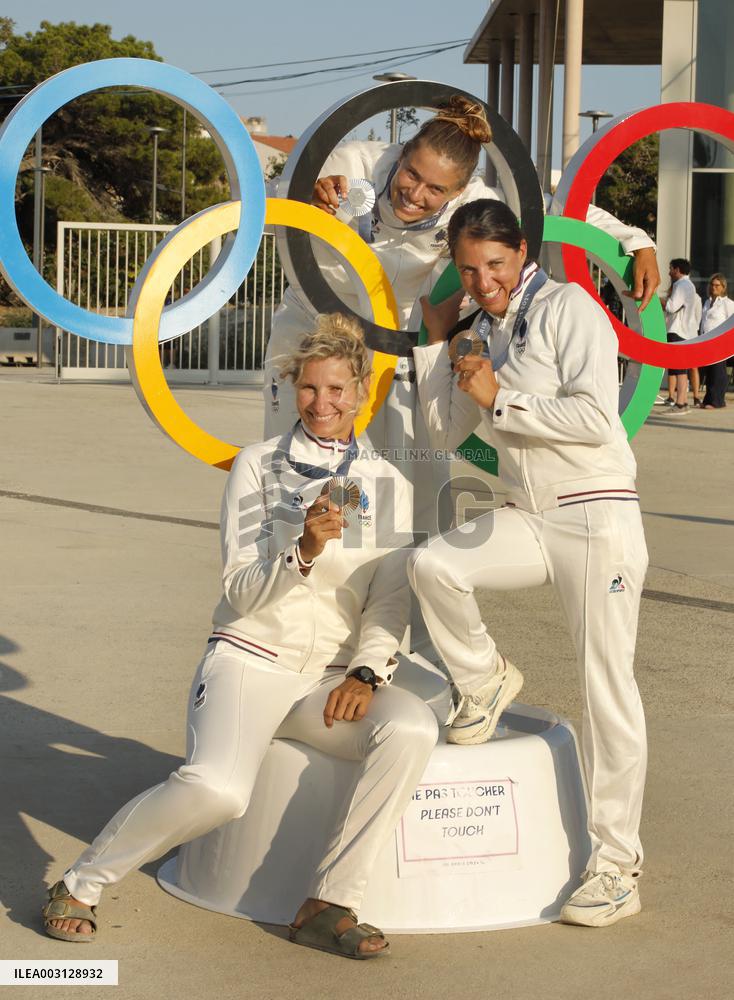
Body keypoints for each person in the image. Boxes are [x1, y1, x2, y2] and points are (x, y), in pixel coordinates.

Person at [42, 313, 438, 960]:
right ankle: (81, 884)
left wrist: (367, 672)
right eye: (309, 388)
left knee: (412, 727)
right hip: (250, 659)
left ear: (362, 392)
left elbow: (391, 599)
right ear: (291, 388)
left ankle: (329, 902)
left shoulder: (389, 484)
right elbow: (239, 591)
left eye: (337, 389)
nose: (322, 404)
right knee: (218, 790)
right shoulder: (256, 466)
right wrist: (301, 551)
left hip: (328, 679)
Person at [409, 199, 649, 928]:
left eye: (494, 264)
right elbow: (443, 435)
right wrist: (436, 345)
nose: (482, 281)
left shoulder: (569, 306)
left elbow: (596, 418)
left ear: (522, 253)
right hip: (529, 512)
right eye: (468, 270)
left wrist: (502, 399)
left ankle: (616, 868)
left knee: (605, 688)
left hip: (596, 511)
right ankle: (485, 678)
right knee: (434, 567)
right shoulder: (478, 330)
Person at [264, 95, 660, 536]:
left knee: (408, 477)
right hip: (315, 326)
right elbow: (269, 199)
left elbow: (551, 210)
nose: (415, 194)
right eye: (412, 174)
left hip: (396, 339)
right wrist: (304, 194)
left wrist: (637, 241)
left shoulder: (474, 201)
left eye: (436, 190)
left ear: (459, 191)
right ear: (402, 152)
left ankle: (402, 566)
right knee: (301, 461)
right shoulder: (353, 161)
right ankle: (296, 559)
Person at [663, 258, 702, 413]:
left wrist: (655, 299)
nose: (669, 272)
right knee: (680, 368)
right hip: (685, 331)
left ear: (677, 270)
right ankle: (683, 402)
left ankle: (680, 403)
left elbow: (671, 307)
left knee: (679, 368)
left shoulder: (681, 285)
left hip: (677, 330)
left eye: (671, 269)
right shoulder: (689, 285)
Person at [700, 273, 734, 409]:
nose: (713, 287)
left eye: (717, 285)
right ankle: (708, 399)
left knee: (718, 371)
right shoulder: (707, 302)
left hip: (720, 342)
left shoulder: (727, 303)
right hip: (706, 341)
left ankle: (717, 401)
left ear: (723, 287)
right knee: (709, 371)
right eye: (712, 285)